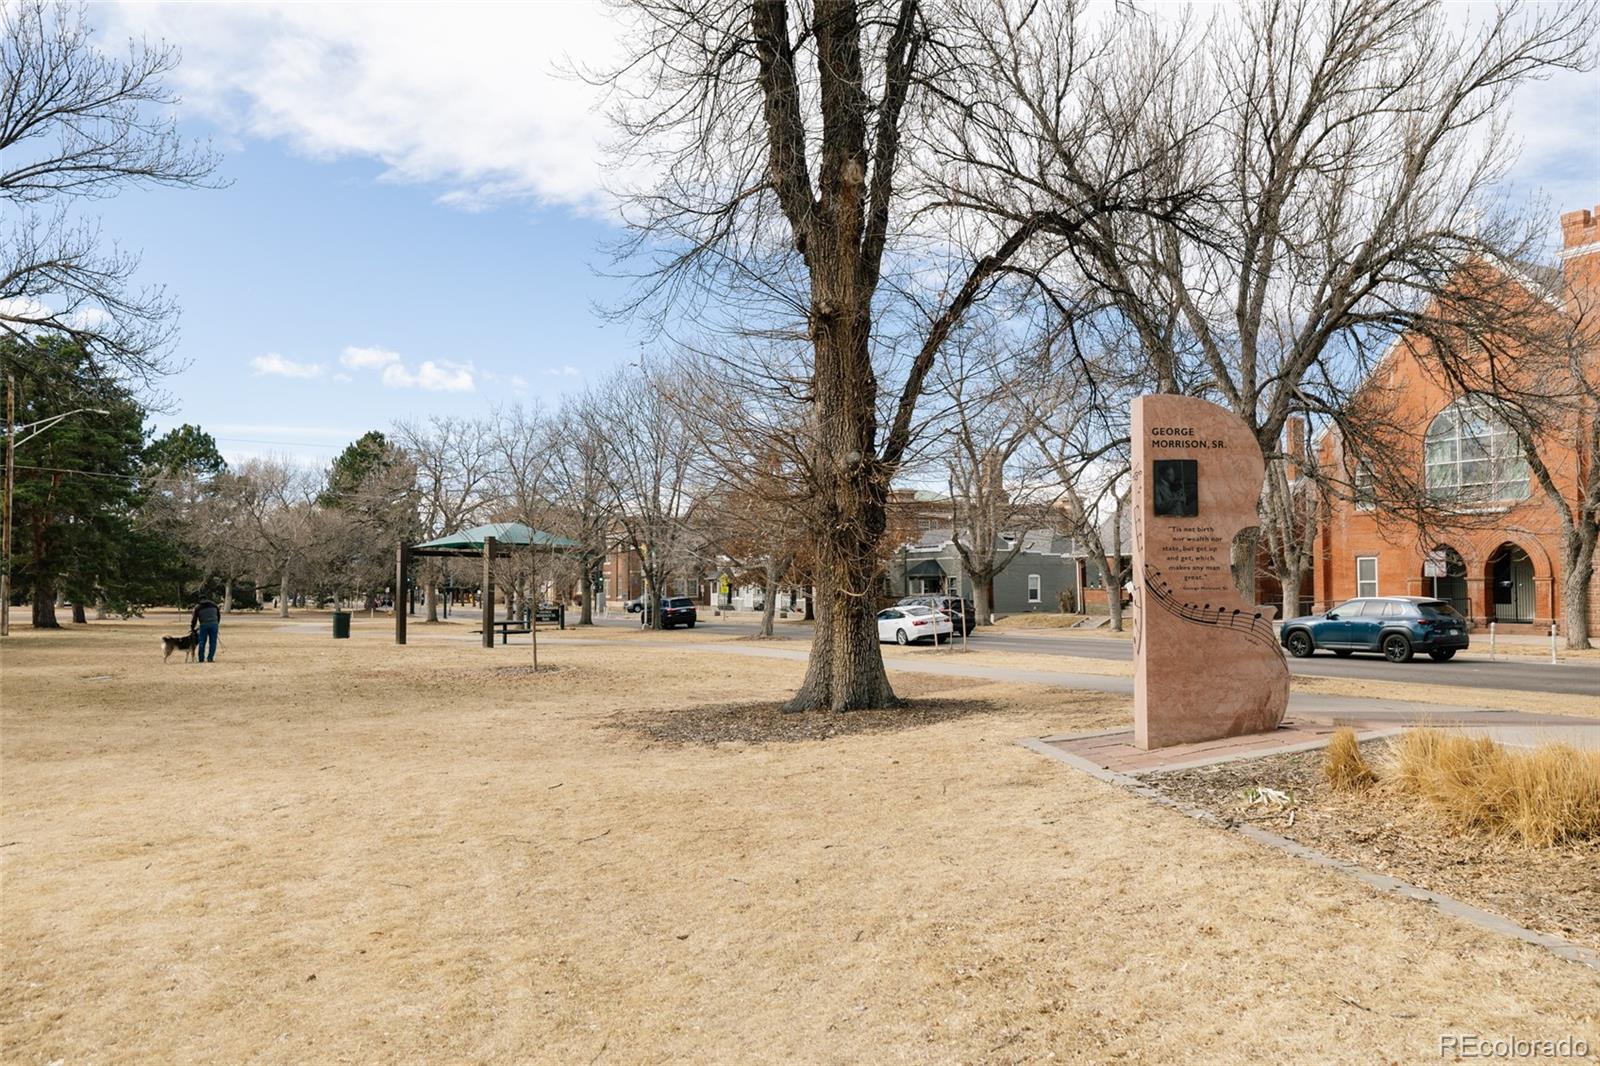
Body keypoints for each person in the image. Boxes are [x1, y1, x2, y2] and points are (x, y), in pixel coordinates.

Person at [190, 598, 221, 664]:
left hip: (203, 625)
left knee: (202, 642)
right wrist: (216, 624)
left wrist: (192, 628)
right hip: (214, 625)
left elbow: (194, 619)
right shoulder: (214, 605)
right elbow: (218, 615)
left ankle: (201, 659)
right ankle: (210, 658)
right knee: (213, 642)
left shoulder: (197, 607)